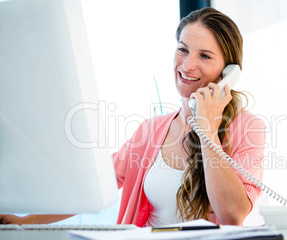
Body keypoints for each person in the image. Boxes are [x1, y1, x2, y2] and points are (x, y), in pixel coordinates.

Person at [0, 7, 265, 227]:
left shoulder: (248, 128)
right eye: (183, 49)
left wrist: (208, 128)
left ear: (228, 72)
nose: (187, 65)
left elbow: (232, 214)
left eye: (205, 56)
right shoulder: (149, 131)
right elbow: (94, 187)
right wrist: (26, 220)